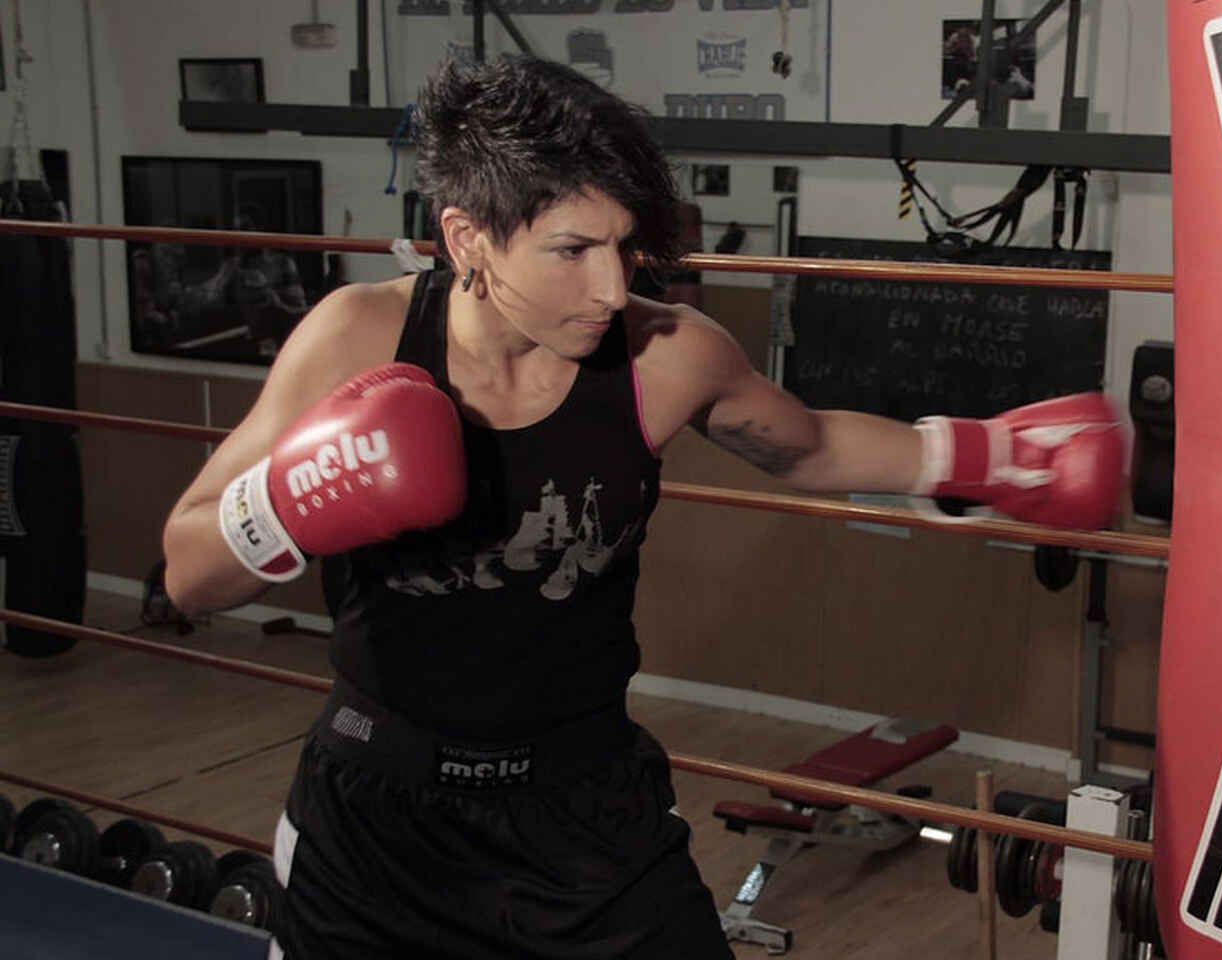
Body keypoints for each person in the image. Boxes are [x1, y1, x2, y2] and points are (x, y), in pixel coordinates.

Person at [161, 54, 1130, 959]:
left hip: (583, 812)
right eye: (571, 249)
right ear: (467, 237)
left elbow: (810, 444)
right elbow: (188, 569)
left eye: (624, 246)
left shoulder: (663, 354)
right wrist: (294, 501)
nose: (610, 286)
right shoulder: (355, 339)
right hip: (377, 815)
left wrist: (999, 457)